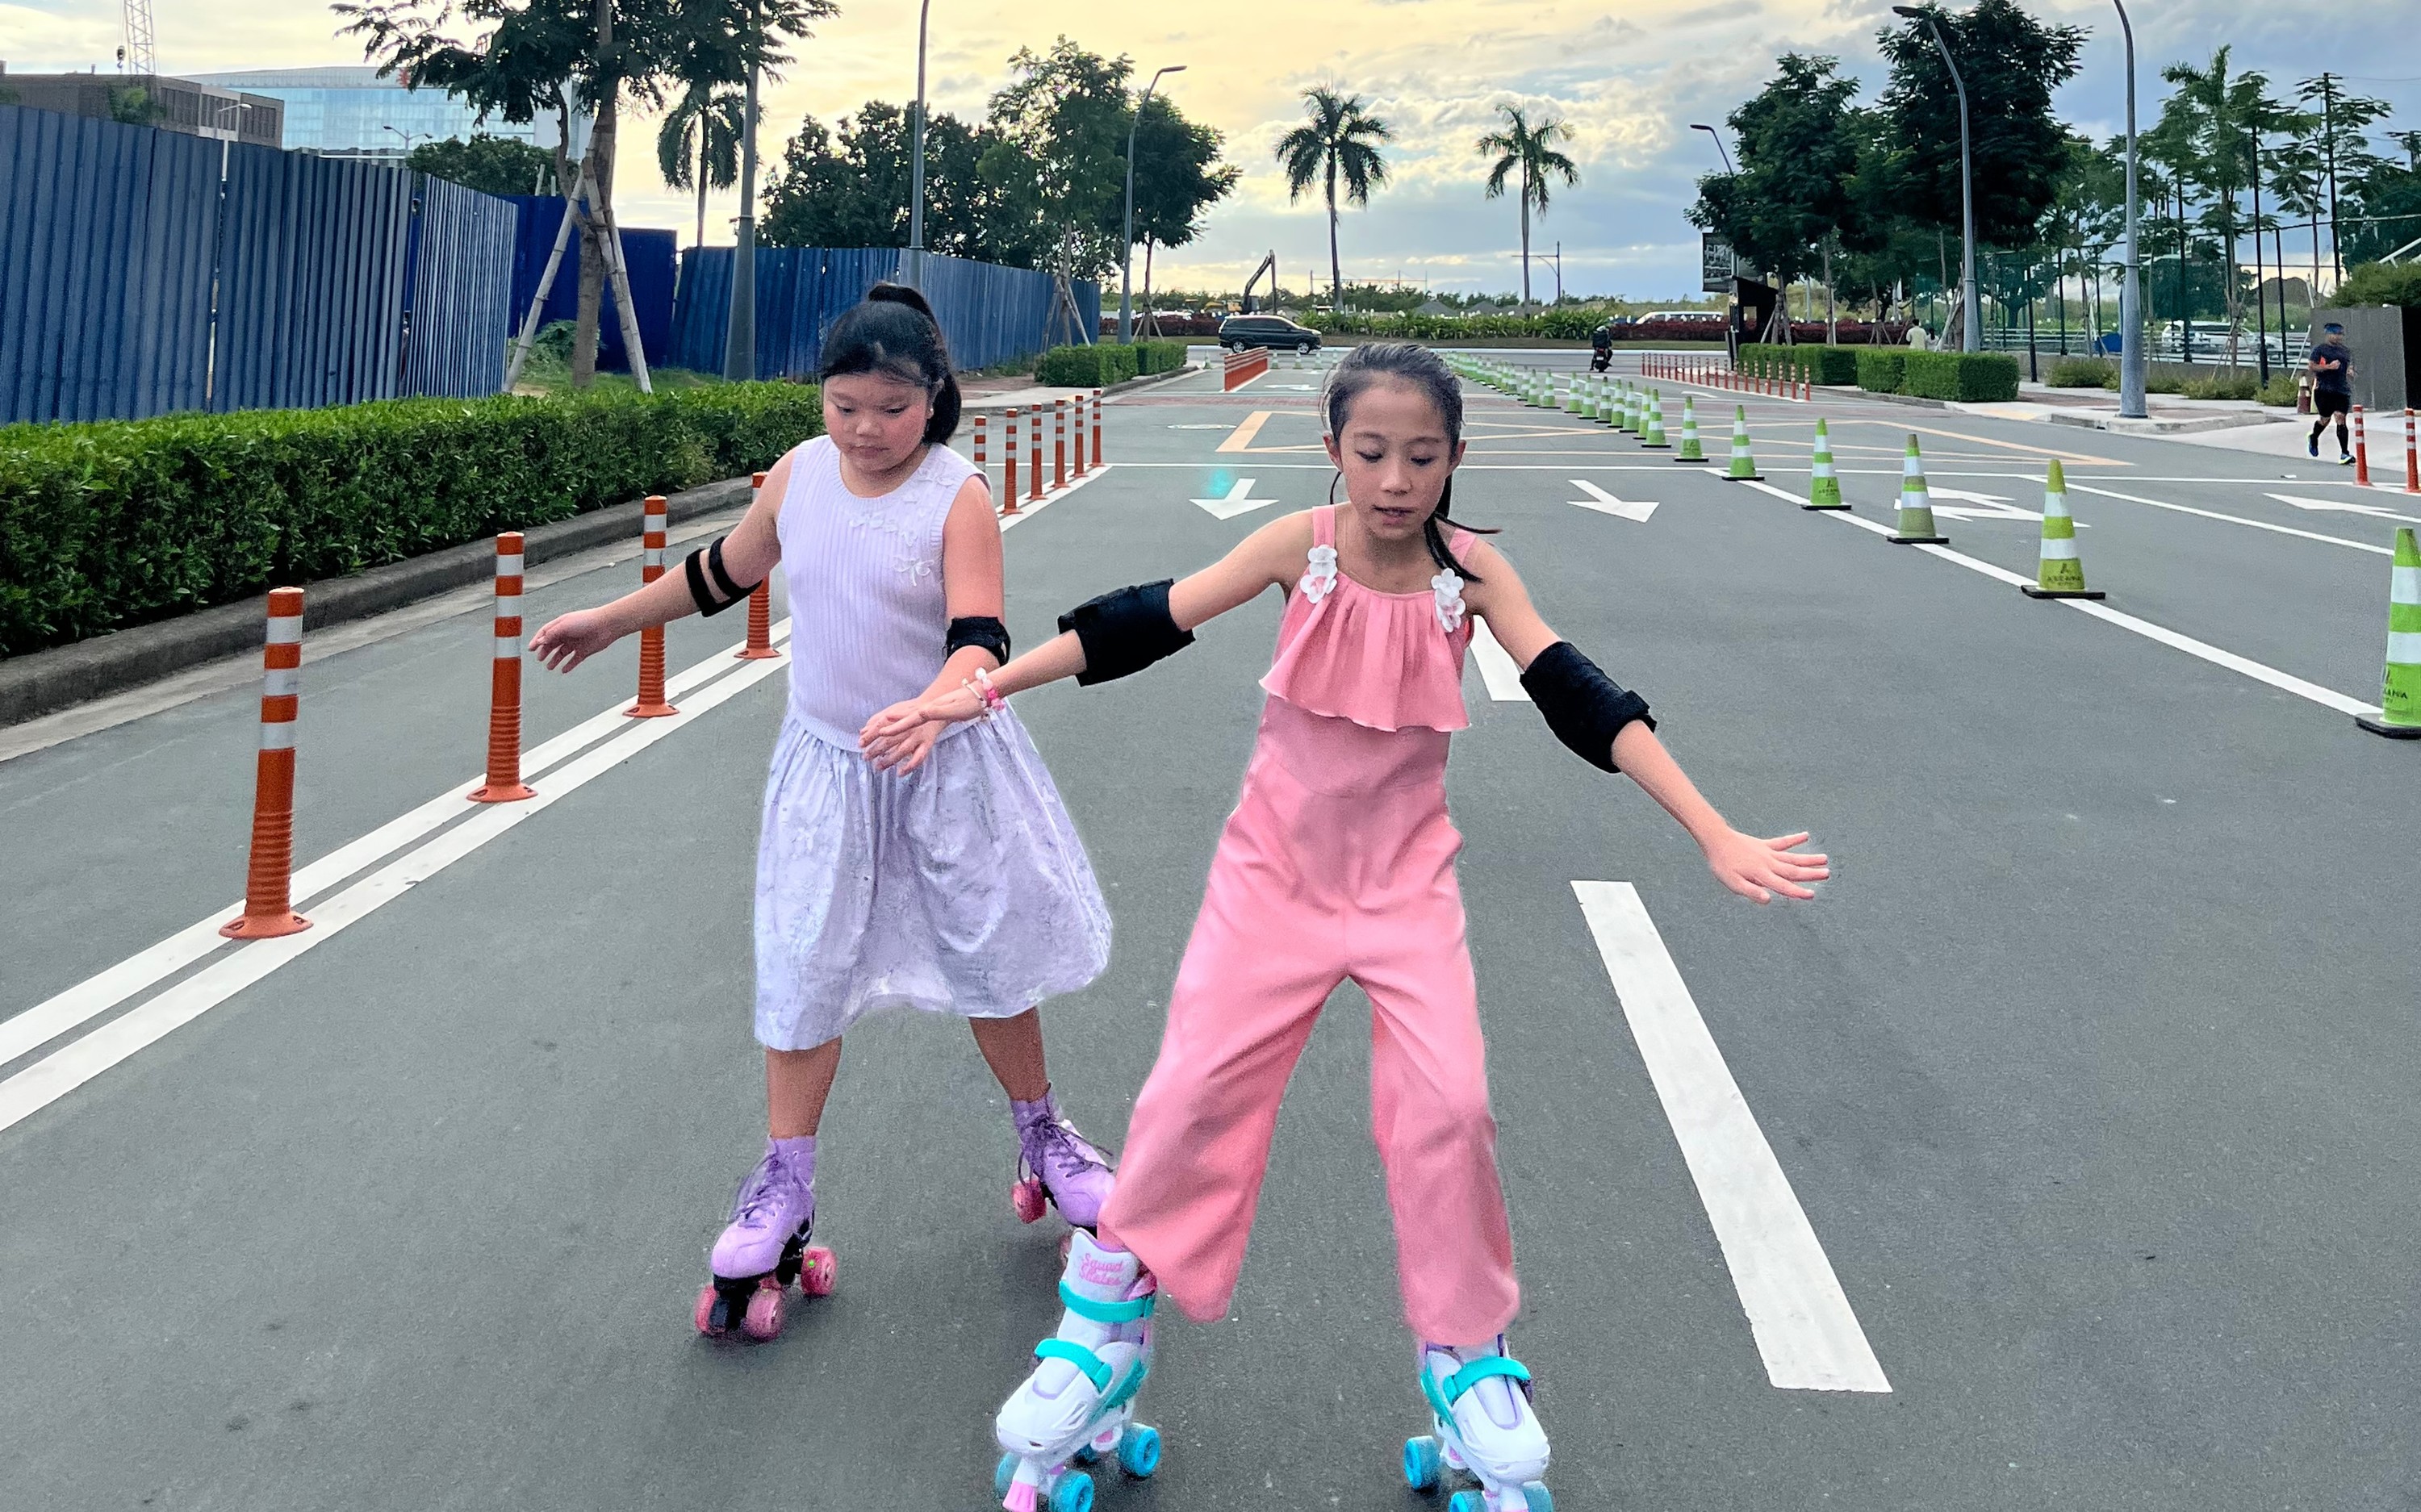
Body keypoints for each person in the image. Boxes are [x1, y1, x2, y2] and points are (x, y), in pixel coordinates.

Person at [871, 342, 1829, 1512]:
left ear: (1455, 460)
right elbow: (1141, 621)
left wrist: (1713, 830)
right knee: (1190, 1097)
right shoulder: (1300, 548)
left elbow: (1581, 693)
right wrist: (978, 689)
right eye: (1370, 452)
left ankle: (1467, 1356)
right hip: (1270, 881)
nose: (1394, 478)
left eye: (1421, 456)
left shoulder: (1474, 575)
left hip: (1403, 892)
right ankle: (1102, 1327)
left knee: (1451, 1107)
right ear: (1332, 452)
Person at [527, 283, 1117, 1342]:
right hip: (827, 771)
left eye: (891, 406)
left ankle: (1044, 1135)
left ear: (933, 397)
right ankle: (783, 1180)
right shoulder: (799, 475)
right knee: (803, 968)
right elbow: (722, 572)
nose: (866, 428)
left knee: (991, 959)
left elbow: (981, 633)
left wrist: (938, 708)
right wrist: (614, 620)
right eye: (846, 404)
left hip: (944, 756)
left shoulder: (956, 493)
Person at [2308, 321, 2356, 463]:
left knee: (2341, 418)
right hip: (2324, 389)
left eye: (2340, 334)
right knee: (2325, 419)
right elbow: (2312, 366)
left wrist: (2350, 371)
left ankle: (2344, 453)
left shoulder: (2345, 351)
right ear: (2328, 334)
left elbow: (2349, 365)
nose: (2338, 337)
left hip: (2341, 389)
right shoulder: (2320, 350)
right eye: (2335, 334)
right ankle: (2314, 437)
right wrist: (2329, 367)